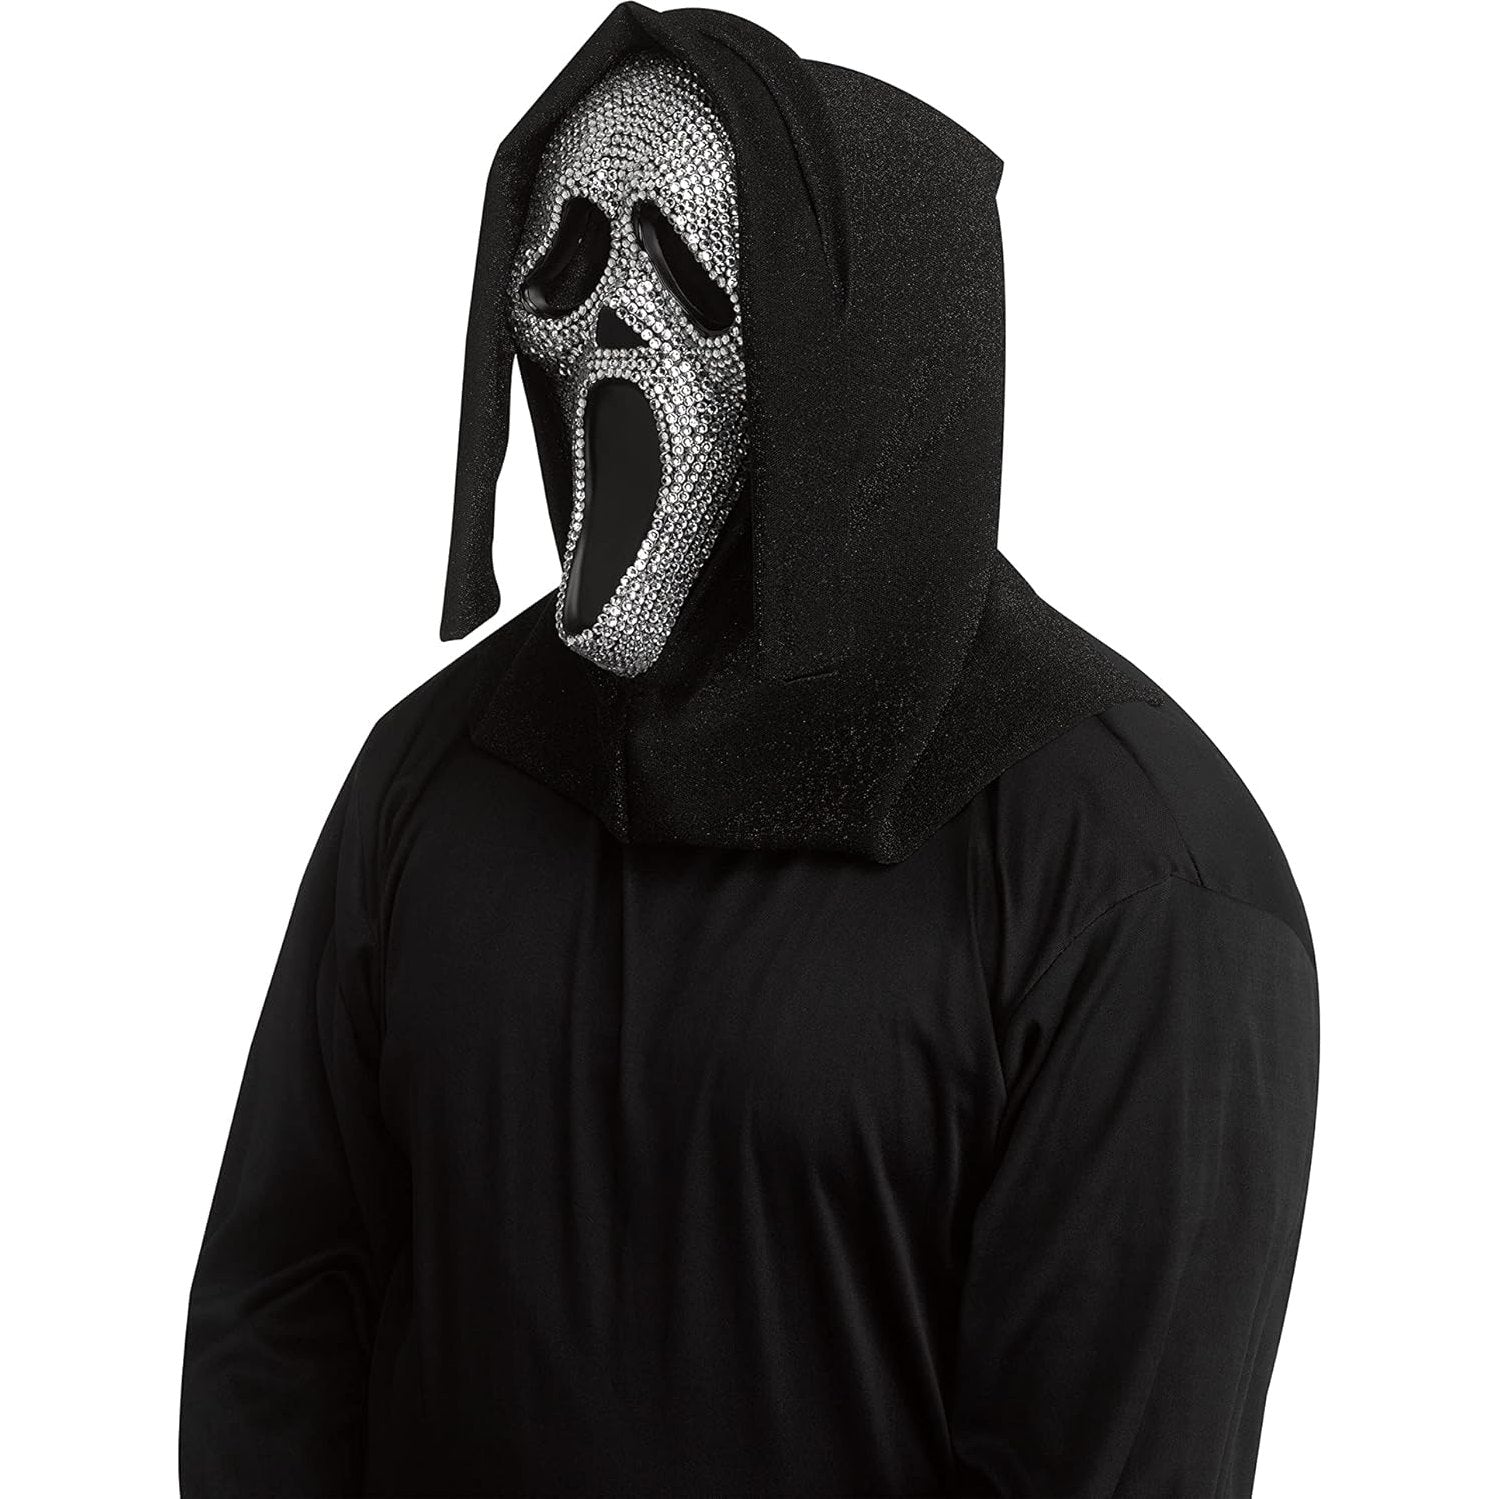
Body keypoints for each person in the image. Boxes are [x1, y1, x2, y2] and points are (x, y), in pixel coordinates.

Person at [180, 6, 1319, 1494]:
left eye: (684, 267)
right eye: (566, 259)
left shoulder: (1134, 880)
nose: (607, 322)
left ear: (858, 350)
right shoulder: (436, 772)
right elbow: (279, 1316)